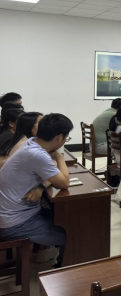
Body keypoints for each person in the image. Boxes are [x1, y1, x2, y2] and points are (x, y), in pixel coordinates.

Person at [0, 113, 73, 267]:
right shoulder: (37, 154)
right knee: (75, 233)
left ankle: (56, 254)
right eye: (67, 138)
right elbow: (64, 182)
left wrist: (41, 186)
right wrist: (59, 156)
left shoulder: (31, 143)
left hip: (14, 214)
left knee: (69, 218)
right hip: (16, 223)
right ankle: (65, 269)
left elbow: (49, 175)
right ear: (60, 137)